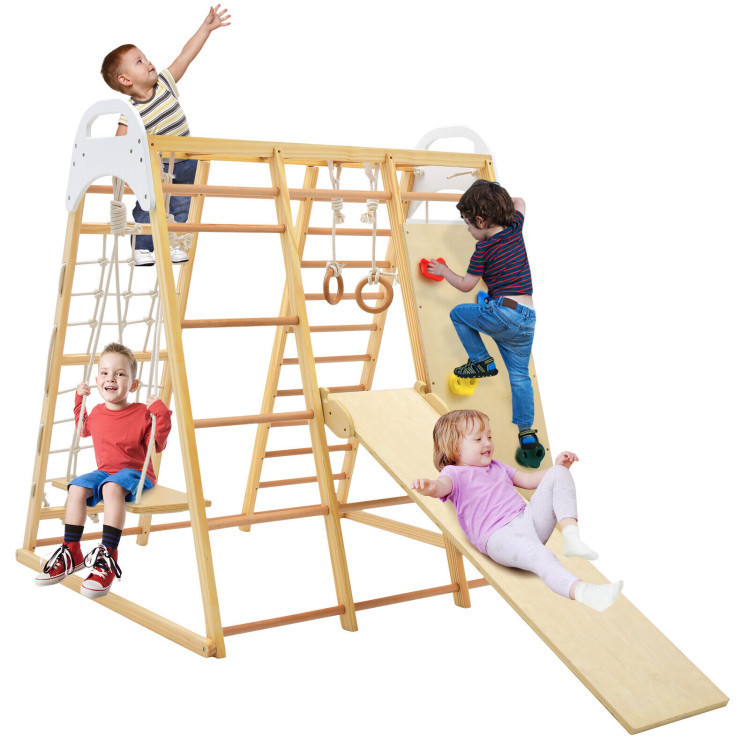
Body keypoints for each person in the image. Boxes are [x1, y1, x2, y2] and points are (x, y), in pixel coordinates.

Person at [410, 409, 623, 612]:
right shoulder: (454, 473)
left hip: (527, 519)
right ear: (454, 448)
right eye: (478, 439)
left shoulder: (496, 466)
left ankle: (572, 537)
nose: (487, 443)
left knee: (559, 473)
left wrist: (558, 469)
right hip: (498, 535)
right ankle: (586, 593)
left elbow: (529, 481)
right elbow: (442, 486)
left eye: (489, 437)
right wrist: (430, 487)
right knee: (543, 556)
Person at [35, 343, 172, 598]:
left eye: (120, 374)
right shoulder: (97, 413)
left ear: (133, 385)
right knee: (76, 487)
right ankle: (72, 551)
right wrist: (80, 400)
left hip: (136, 473)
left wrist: (161, 414)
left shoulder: (142, 413)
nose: (111, 378)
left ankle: (108, 554)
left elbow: (158, 443)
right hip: (106, 471)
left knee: (110, 487)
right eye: (104, 373)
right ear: (97, 380)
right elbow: (82, 429)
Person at [100, 5, 232, 266]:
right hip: (156, 169)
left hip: (186, 162)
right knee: (149, 206)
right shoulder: (131, 112)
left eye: (146, 57)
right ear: (125, 80)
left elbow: (185, 57)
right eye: (139, 61)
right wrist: (123, 173)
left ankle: (173, 244)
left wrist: (205, 29)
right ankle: (142, 248)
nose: (148, 62)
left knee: (182, 207)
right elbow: (119, 144)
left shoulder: (164, 84)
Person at [426, 180, 543, 465]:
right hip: (527, 318)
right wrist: (498, 203)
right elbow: (520, 201)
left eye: (469, 224)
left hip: (504, 313)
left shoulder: (483, 249)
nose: (468, 230)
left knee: (459, 313)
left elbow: (466, 285)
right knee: (520, 376)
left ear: (480, 220)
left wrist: (444, 270)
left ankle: (481, 361)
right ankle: (526, 433)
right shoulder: (515, 227)